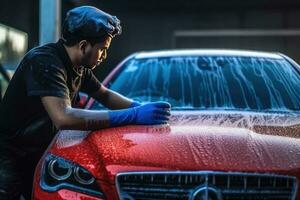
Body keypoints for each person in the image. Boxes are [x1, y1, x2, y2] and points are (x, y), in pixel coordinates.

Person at [0, 6, 171, 200]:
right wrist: (133, 116)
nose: (104, 56)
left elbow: (105, 95)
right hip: (9, 154)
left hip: (36, 152)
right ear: (83, 46)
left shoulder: (78, 67)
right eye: (103, 49)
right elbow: (64, 117)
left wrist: (138, 106)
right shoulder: (45, 62)